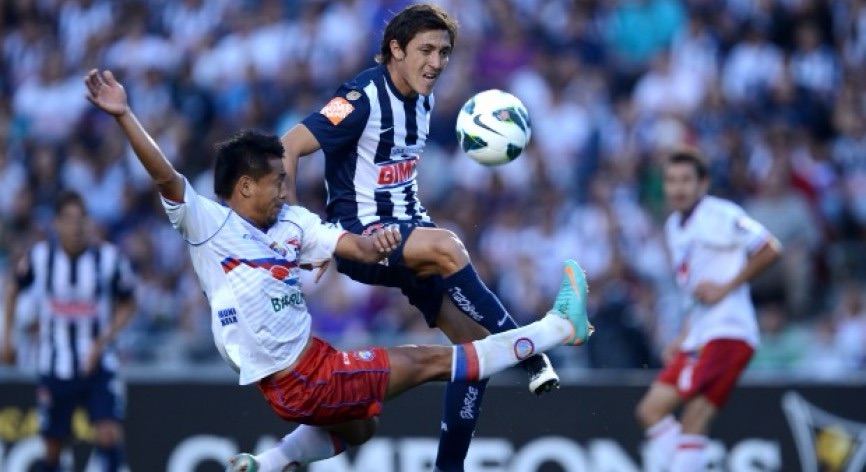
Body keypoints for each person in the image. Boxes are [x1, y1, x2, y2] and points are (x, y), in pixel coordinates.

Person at [83, 68, 593, 472]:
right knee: (435, 362)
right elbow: (165, 176)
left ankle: (268, 464)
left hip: (303, 371)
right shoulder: (208, 225)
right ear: (244, 187)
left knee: (360, 430)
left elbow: (354, 247)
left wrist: (379, 242)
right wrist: (124, 115)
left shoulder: (294, 222)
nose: (285, 188)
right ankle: (557, 330)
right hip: (305, 378)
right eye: (276, 181)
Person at [279, 5, 560, 469]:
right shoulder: (360, 97)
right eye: (426, 50)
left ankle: (449, 466)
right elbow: (288, 146)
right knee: (449, 245)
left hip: (408, 233)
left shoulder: (424, 99)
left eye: (444, 52)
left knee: (476, 354)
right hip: (364, 237)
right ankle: (531, 353)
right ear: (396, 49)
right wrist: (303, 235)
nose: (436, 62)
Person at [634, 149, 782, 472]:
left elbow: (770, 248)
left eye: (686, 180)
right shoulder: (674, 226)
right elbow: (695, 290)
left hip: (729, 331)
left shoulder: (721, 214)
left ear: (703, 183)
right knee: (650, 410)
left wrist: (726, 287)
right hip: (699, 334)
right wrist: (683, 335)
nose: (678, 188)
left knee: (694, 418)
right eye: (672, 181)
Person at [2, 190, 137, 472]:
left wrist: (103, 340)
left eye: (81, 218)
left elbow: (129, 302)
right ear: (57, 223)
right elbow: (13, 288)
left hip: (99, 362)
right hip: (55, 364)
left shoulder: (108, 258)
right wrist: (8, 340)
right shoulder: (40, 257)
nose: (76, 226)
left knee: (108, 432)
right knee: (53, 446)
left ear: (88, 221)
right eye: (69, 219)